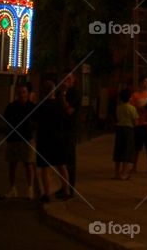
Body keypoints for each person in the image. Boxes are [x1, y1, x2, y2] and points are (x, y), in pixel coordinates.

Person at [34, 80, 69, 203]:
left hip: (44, 139)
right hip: (58, 138)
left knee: (45, 167)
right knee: (61, 165)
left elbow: (35, 120)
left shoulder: (40, 106)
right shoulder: (59, 105)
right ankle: (66, 190)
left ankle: (47, 193)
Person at [3, 83, 36, 199]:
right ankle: (12, 189)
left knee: (28, 164)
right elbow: (6, 120)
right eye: (20, 92)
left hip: (27, 139)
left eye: (24, 92)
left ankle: (30, 189)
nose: (22, 95)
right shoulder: (11, 107)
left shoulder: (32, 107)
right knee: (12, 165)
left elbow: (37, 122)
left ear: (28, 93)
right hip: (13, 139)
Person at [61, 69, 81, 197]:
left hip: (70, 129)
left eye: (68, 79)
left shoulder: (73, 93)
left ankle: (70, 188)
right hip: (62, 129)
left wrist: (63, 95)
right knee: (62, 160)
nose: (65, 81)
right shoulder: (63, 93)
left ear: (73, 80)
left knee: (69, 160)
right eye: (64, 79)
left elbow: (68, 110)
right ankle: (63, 186)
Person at [113, 88, 137, 180]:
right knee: (127, 151)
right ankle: (124, 173)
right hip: (128, 129)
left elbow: (117, 118)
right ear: (130, 98)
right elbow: (135, 121)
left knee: (118, 150)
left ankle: (116, 172)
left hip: (119, 129)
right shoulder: (132, 108)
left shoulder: (118, 107)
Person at [131, 77, 147, 173]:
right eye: (144, 81)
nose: (146, 83)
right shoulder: (135, 95)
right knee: (137, 147)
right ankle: (134, 166)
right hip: (139, 124)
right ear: (140, 83)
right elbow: (133, 108)